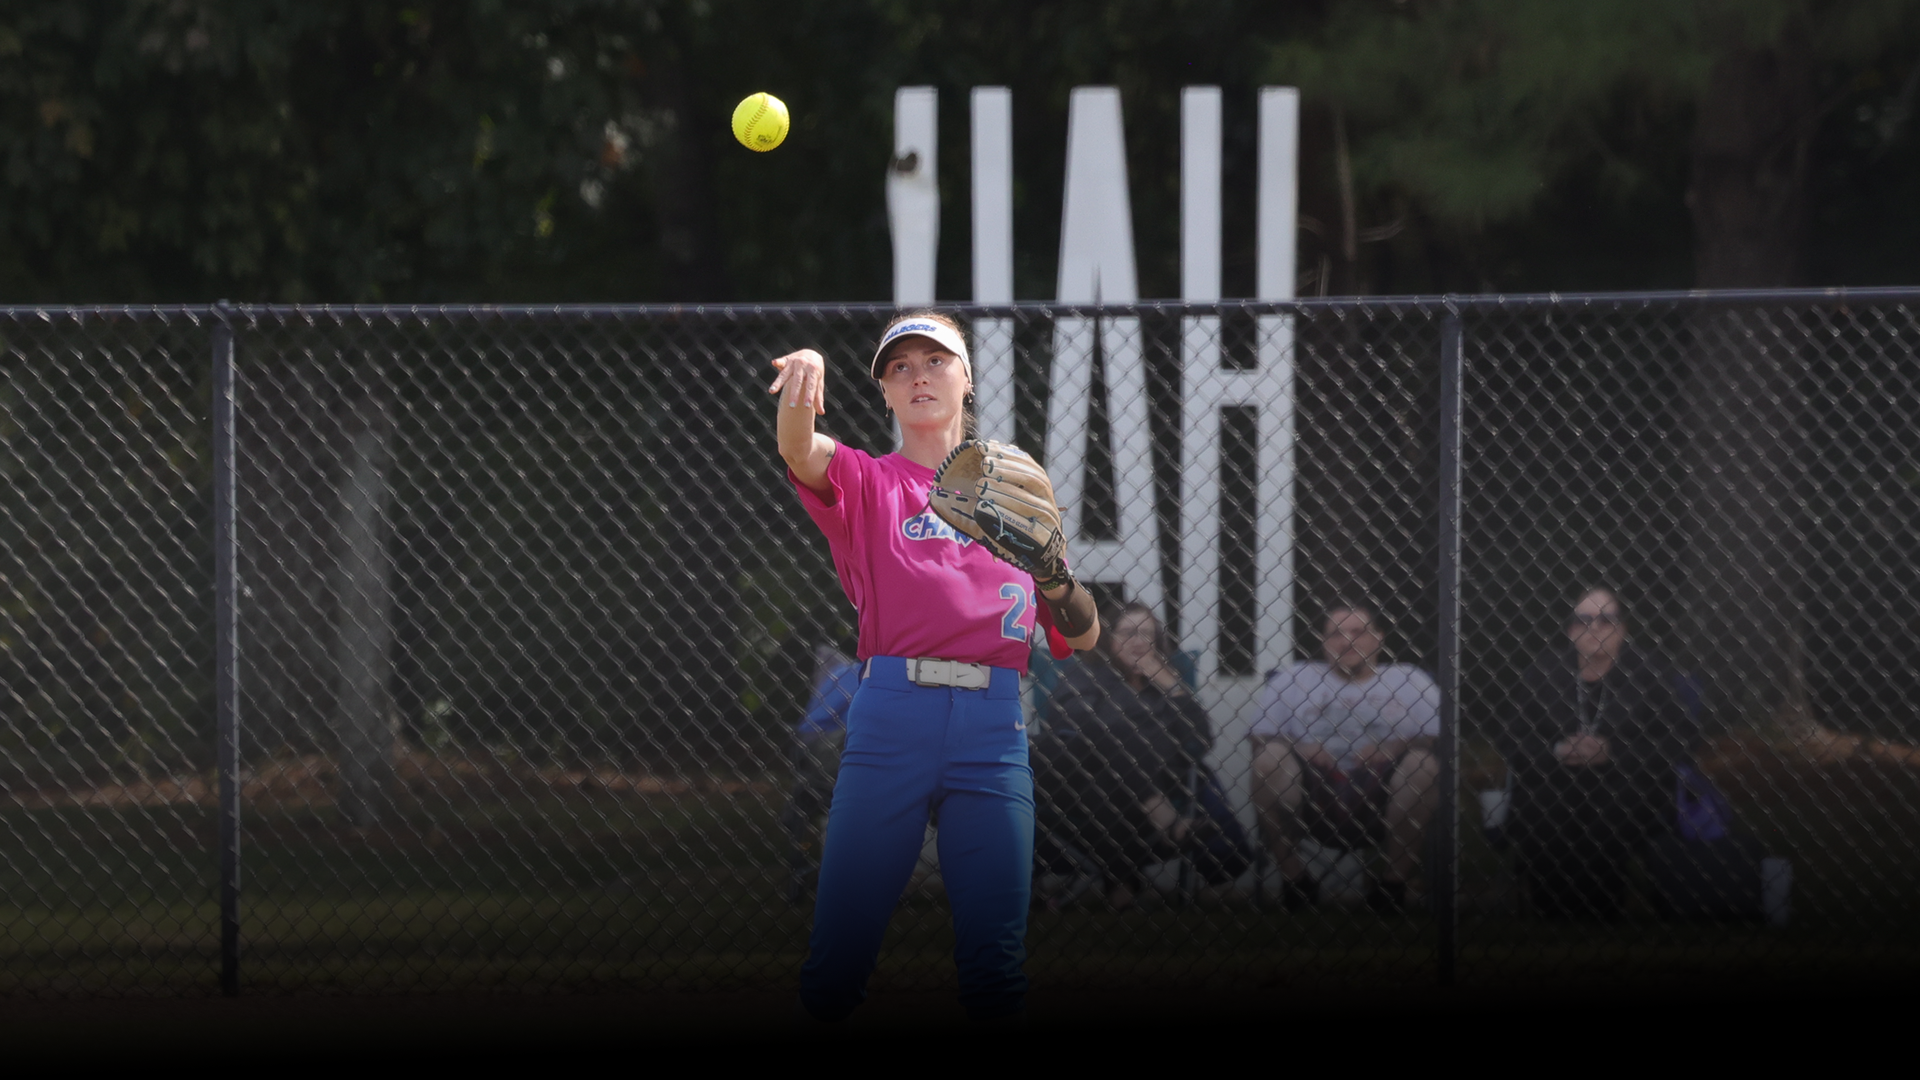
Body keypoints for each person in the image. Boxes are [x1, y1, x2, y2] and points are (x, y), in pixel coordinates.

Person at [768, 312, 1100, 1024]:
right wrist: (801, 384)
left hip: (993, 732)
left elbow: (1085, 631)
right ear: (885, 393)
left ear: (967, 378)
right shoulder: (870, 482)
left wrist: (1052, 573)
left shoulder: (1011, 491)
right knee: (839, 959)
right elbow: (800, 451)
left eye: (935, 361)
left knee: (995, 966)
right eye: (900, 368)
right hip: (892, 719)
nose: (918, 375)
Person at [1497, 587, 1696, 920]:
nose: (1595, 628)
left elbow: (1681, 740)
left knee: (1614, 811)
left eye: (1607, 619)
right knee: (1544, 810)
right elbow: (1511, 736)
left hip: (1628, 779)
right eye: (1583, 620)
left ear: (1623, 628)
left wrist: (1614, 753)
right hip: (1555, 775)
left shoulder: (1650, 673)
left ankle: (1599, 909)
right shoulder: (1545, 672)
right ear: (1569, 629)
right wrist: (1557, 749)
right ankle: (1554, 910)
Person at [1035, 601, 1249, 909]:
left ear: (1158, 642)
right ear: (1108, 638)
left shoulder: (1165, 687)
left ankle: (1121, 885)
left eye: (1146, 634)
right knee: (1108, 743)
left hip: (1156, 782)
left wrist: (1172, 686)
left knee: (1108, 778)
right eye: (1127, 632)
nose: (1137, 641)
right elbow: (1072, 728)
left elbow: (1200, 741)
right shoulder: (1085, 675)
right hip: (1082, 784)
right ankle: (1157, 827)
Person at [1248, 603, 1440, 913]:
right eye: (1335, 633)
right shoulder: (1295, 678)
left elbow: (1438, 738)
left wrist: (1393, 748)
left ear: (1378, 638)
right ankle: (1296, 882)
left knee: (1424, 763)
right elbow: (1259, 737)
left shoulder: (1409, 680)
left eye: (1358, 632)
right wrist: (1301, 747)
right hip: (1312, 794)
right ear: (1323, 642)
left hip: (1384, 794)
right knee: (1269, 757)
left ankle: (1392, 887)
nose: (1346, 641)